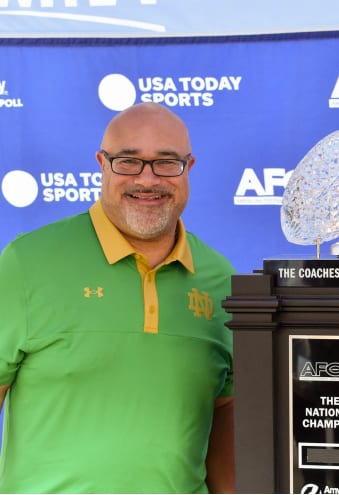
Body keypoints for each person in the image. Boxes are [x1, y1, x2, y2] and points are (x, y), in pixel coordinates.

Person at [0, 102, 236, 493]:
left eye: (166, 162)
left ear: (189, 167)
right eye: (128, 161)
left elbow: (225, 410)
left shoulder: (221, 280)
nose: (147, 179)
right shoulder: (26, 263)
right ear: (102, 164)